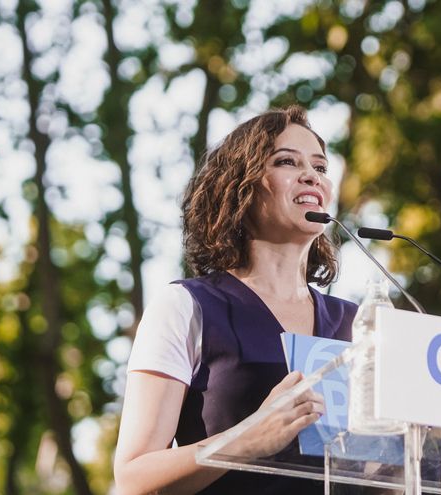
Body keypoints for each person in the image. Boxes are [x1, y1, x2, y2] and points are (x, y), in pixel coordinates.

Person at [113, 106, 358, 494]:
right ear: (239, 187)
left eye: (321, 167)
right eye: (286, 161)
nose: (312, 175)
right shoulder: (187, 307)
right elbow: (133, 477)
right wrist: (247, 438)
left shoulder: (357, 326)